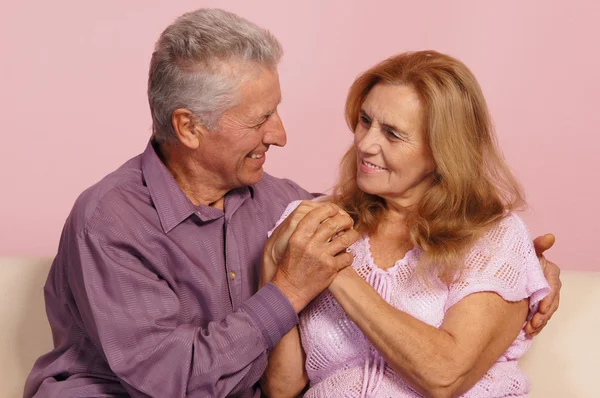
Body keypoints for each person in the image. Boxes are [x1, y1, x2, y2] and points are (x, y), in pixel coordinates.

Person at [24, 9, 560, 398]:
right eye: (259, 120)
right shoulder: (112, 221)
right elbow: (173, 381)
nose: (280, 135)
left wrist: (525, 268)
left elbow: (407, 225)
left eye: (275, 111)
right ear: (188, 127)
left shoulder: (283, 203)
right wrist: (287, 289)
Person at [261, 51, 556, 397]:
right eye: (365, 121)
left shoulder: (493, 237)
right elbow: (282, 388)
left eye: (393, 134)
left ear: (443, 150)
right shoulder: (316, 218)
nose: (365, 144)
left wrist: (334, 268)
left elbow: (444, 375)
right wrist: (272, 262)